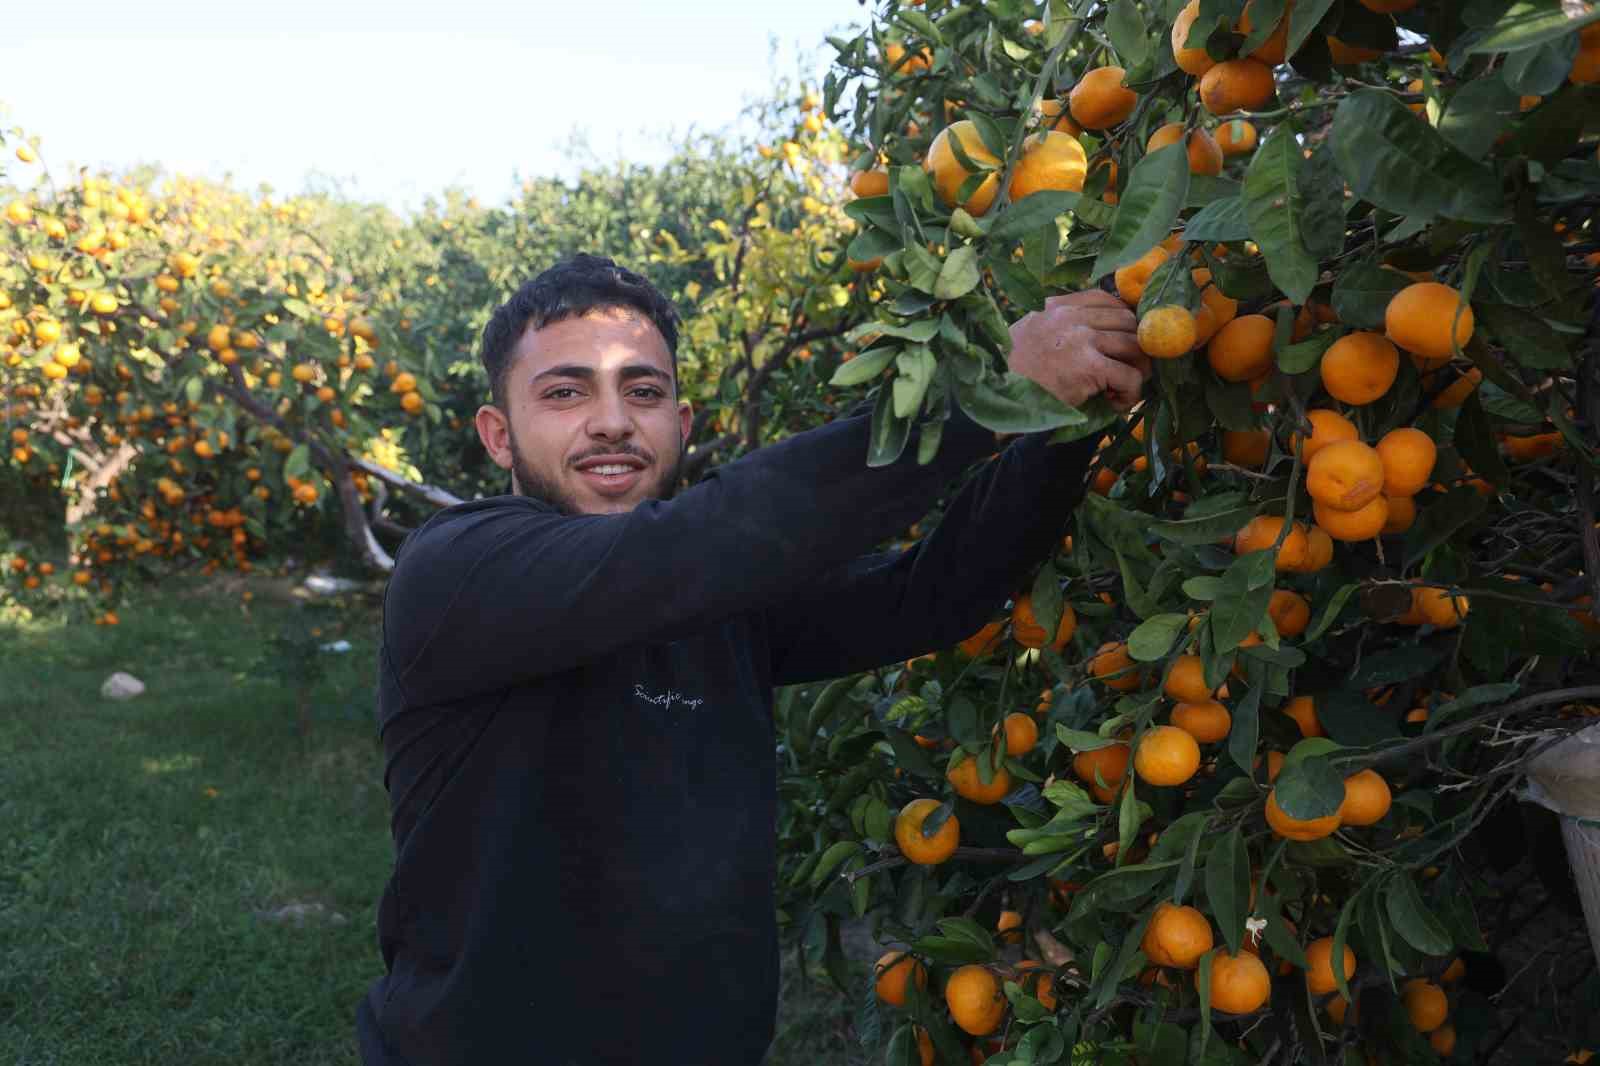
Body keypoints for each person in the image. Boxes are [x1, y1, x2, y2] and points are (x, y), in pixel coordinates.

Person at [356, 253, 1148, 1065]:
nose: (612, 422)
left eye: (644, 391)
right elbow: (707, 540)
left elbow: (933, 593)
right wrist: (986, 394)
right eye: (565, 392)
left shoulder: (719, 597)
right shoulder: (456, 573)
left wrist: (1060, 419)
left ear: (683, 423)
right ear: (498, 434)